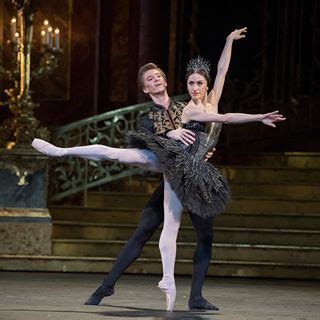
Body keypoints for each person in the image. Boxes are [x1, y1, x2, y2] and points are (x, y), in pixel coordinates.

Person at [32, 27, 284, 311]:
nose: (195, 88)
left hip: (195, 172)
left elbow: (222, 75)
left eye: (199, 83)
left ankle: (189, 294)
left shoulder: (195, 103)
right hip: (170, 165)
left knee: (196, 233)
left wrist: (227, 41)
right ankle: (61, 152)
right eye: (190, 84)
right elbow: (163, 133)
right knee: (125, 170)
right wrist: (172, 136)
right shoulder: (171, 112)